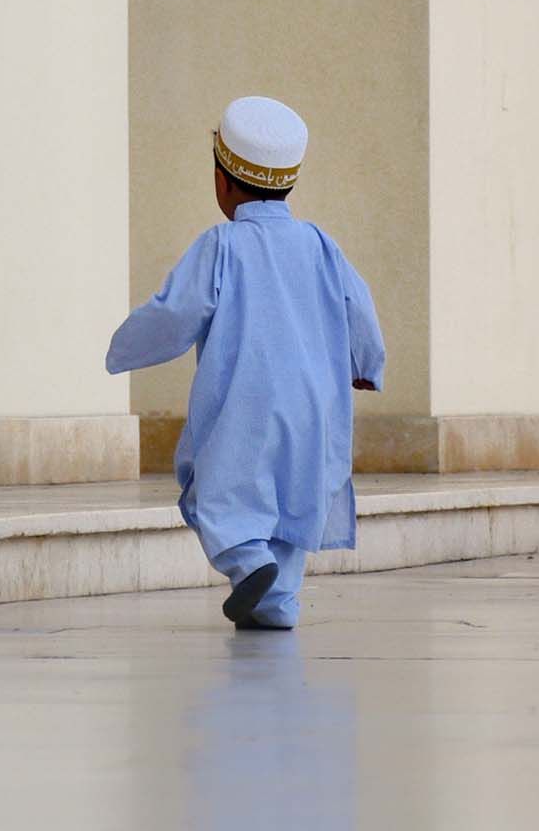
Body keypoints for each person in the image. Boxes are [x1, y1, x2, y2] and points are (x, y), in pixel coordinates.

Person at [107, 95, 386, 630]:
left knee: (222, 487)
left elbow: (175, 311)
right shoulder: (321, 245)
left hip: (245, 400)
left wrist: (122, 349)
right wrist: (367, 365)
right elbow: (360, 307)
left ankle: (246, 561)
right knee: (293, 497)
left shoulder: (221, 245)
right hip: (314, 406)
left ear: (224, 179)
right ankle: (276, 602)